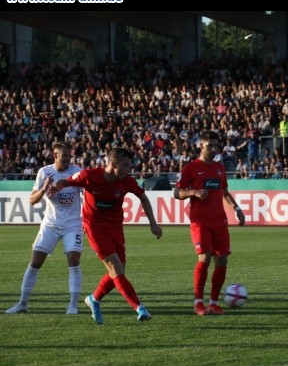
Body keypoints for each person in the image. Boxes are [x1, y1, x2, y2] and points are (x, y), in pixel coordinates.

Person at [49, 147, 162, 324]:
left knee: (118, 271)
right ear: (113, 163)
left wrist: (153, 224)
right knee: (116, 269)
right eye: (125, 165)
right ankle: (139, 308)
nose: (128, 170)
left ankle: (94, 299)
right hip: (94, 228)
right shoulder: (89, 176)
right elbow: (66, 181)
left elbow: (144, 198)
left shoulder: (127, 181)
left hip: (115, 227)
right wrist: (56, 186)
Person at [6, 142, 83, 315]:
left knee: (74, 260)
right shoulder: (44, 172)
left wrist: (87, 221)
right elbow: (32, 200)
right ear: (55, 155)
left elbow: (87, 196)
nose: (68, 159)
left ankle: (73, 306)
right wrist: (44, 187)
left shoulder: (77, 172)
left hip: (73, 224)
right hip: (50, 224)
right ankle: (22, 303)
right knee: (35, 262)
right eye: (64, 156)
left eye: (69, 156)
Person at [174, 131, 246, 316]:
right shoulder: (191, 168)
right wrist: (194, 193)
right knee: (204, 257)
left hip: (219, 221)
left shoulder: (219, 168)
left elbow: (225, 193)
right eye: (210, 146)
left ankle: (213, 303)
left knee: (222, 259)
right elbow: (177, 192)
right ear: (201, 146)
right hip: (200, 221)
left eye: (216, 146)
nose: (213, 149)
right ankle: (198, 302)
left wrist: (237, 209)